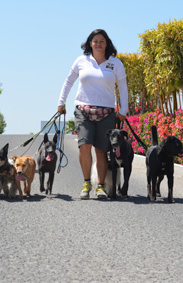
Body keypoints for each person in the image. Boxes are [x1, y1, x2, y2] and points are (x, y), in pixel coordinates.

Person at [57, 29, 129, 199]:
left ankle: (101, 186)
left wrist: (123, 110)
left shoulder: (115, 63)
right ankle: (86, 182)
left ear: (107, 43)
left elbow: (123, 87)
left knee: (102, 150)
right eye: (95, 41)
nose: (98, 44)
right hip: (83, 110)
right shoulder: (81, 61)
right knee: (84, 145)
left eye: (102, 41)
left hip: (106, 113)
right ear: (90, 43)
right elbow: (68, 81)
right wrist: (61, 102)